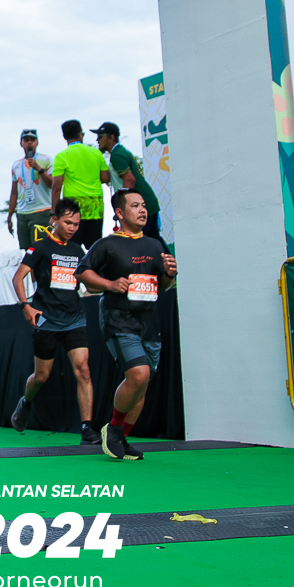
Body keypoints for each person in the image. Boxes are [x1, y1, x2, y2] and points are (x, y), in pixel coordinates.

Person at [78, 190, 177, 460]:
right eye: (135, 206)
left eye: (143, 206)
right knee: (139, 374)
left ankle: (122, 437)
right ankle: (114, 427)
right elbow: (83, 274)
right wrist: (110, 284)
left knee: (141, 385)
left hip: (150, 323)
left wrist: (169, 274)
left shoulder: (155, 245)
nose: (142, 210)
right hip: (119, 320)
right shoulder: (107, 244)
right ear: (120, 213)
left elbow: (163, 285)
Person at [9, 200, 98, 445]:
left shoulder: (78, 251)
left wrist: (109, 284)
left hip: (74, 319)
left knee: (83, 369)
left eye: (76, 224)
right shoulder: (39, 248)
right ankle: (26, 402)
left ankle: (87, 428)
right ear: (54, 220)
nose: (72, 228)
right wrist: (25, 305)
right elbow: (18, 278)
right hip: (47, 320)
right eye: (68, 222)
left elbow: (89, 284)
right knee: (41, 376)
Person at [93, 122, 161, 239]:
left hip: (141, 206)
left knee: (141, 242)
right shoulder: (121, 151)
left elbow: (129, 179)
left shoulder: (117, 155)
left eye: (100, 136)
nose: (97, 140)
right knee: (153, 241)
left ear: (111, 137)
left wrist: (125, 207)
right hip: (147, 203)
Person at [50, 120, 105, 246]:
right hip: (95, 204)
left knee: (73, 246)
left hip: (73, 207)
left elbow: (56, 187)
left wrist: (54, 212)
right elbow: (105, 177)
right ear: (81, 134)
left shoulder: (61, 156)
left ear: (64, 137)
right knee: (94, 247)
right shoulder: (96, 153)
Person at [5, 129, 54, 246]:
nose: (29, 143)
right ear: (21, 143)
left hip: (42, 210)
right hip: (23, 212)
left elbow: (52, 184)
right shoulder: (16, 164)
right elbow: (14, 192)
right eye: (26, 140)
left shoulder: (46, 159)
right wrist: (10, 216)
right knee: (27, 250)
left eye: (32, 140)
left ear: (37, 142)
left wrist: (39, 169)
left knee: (40, 248)